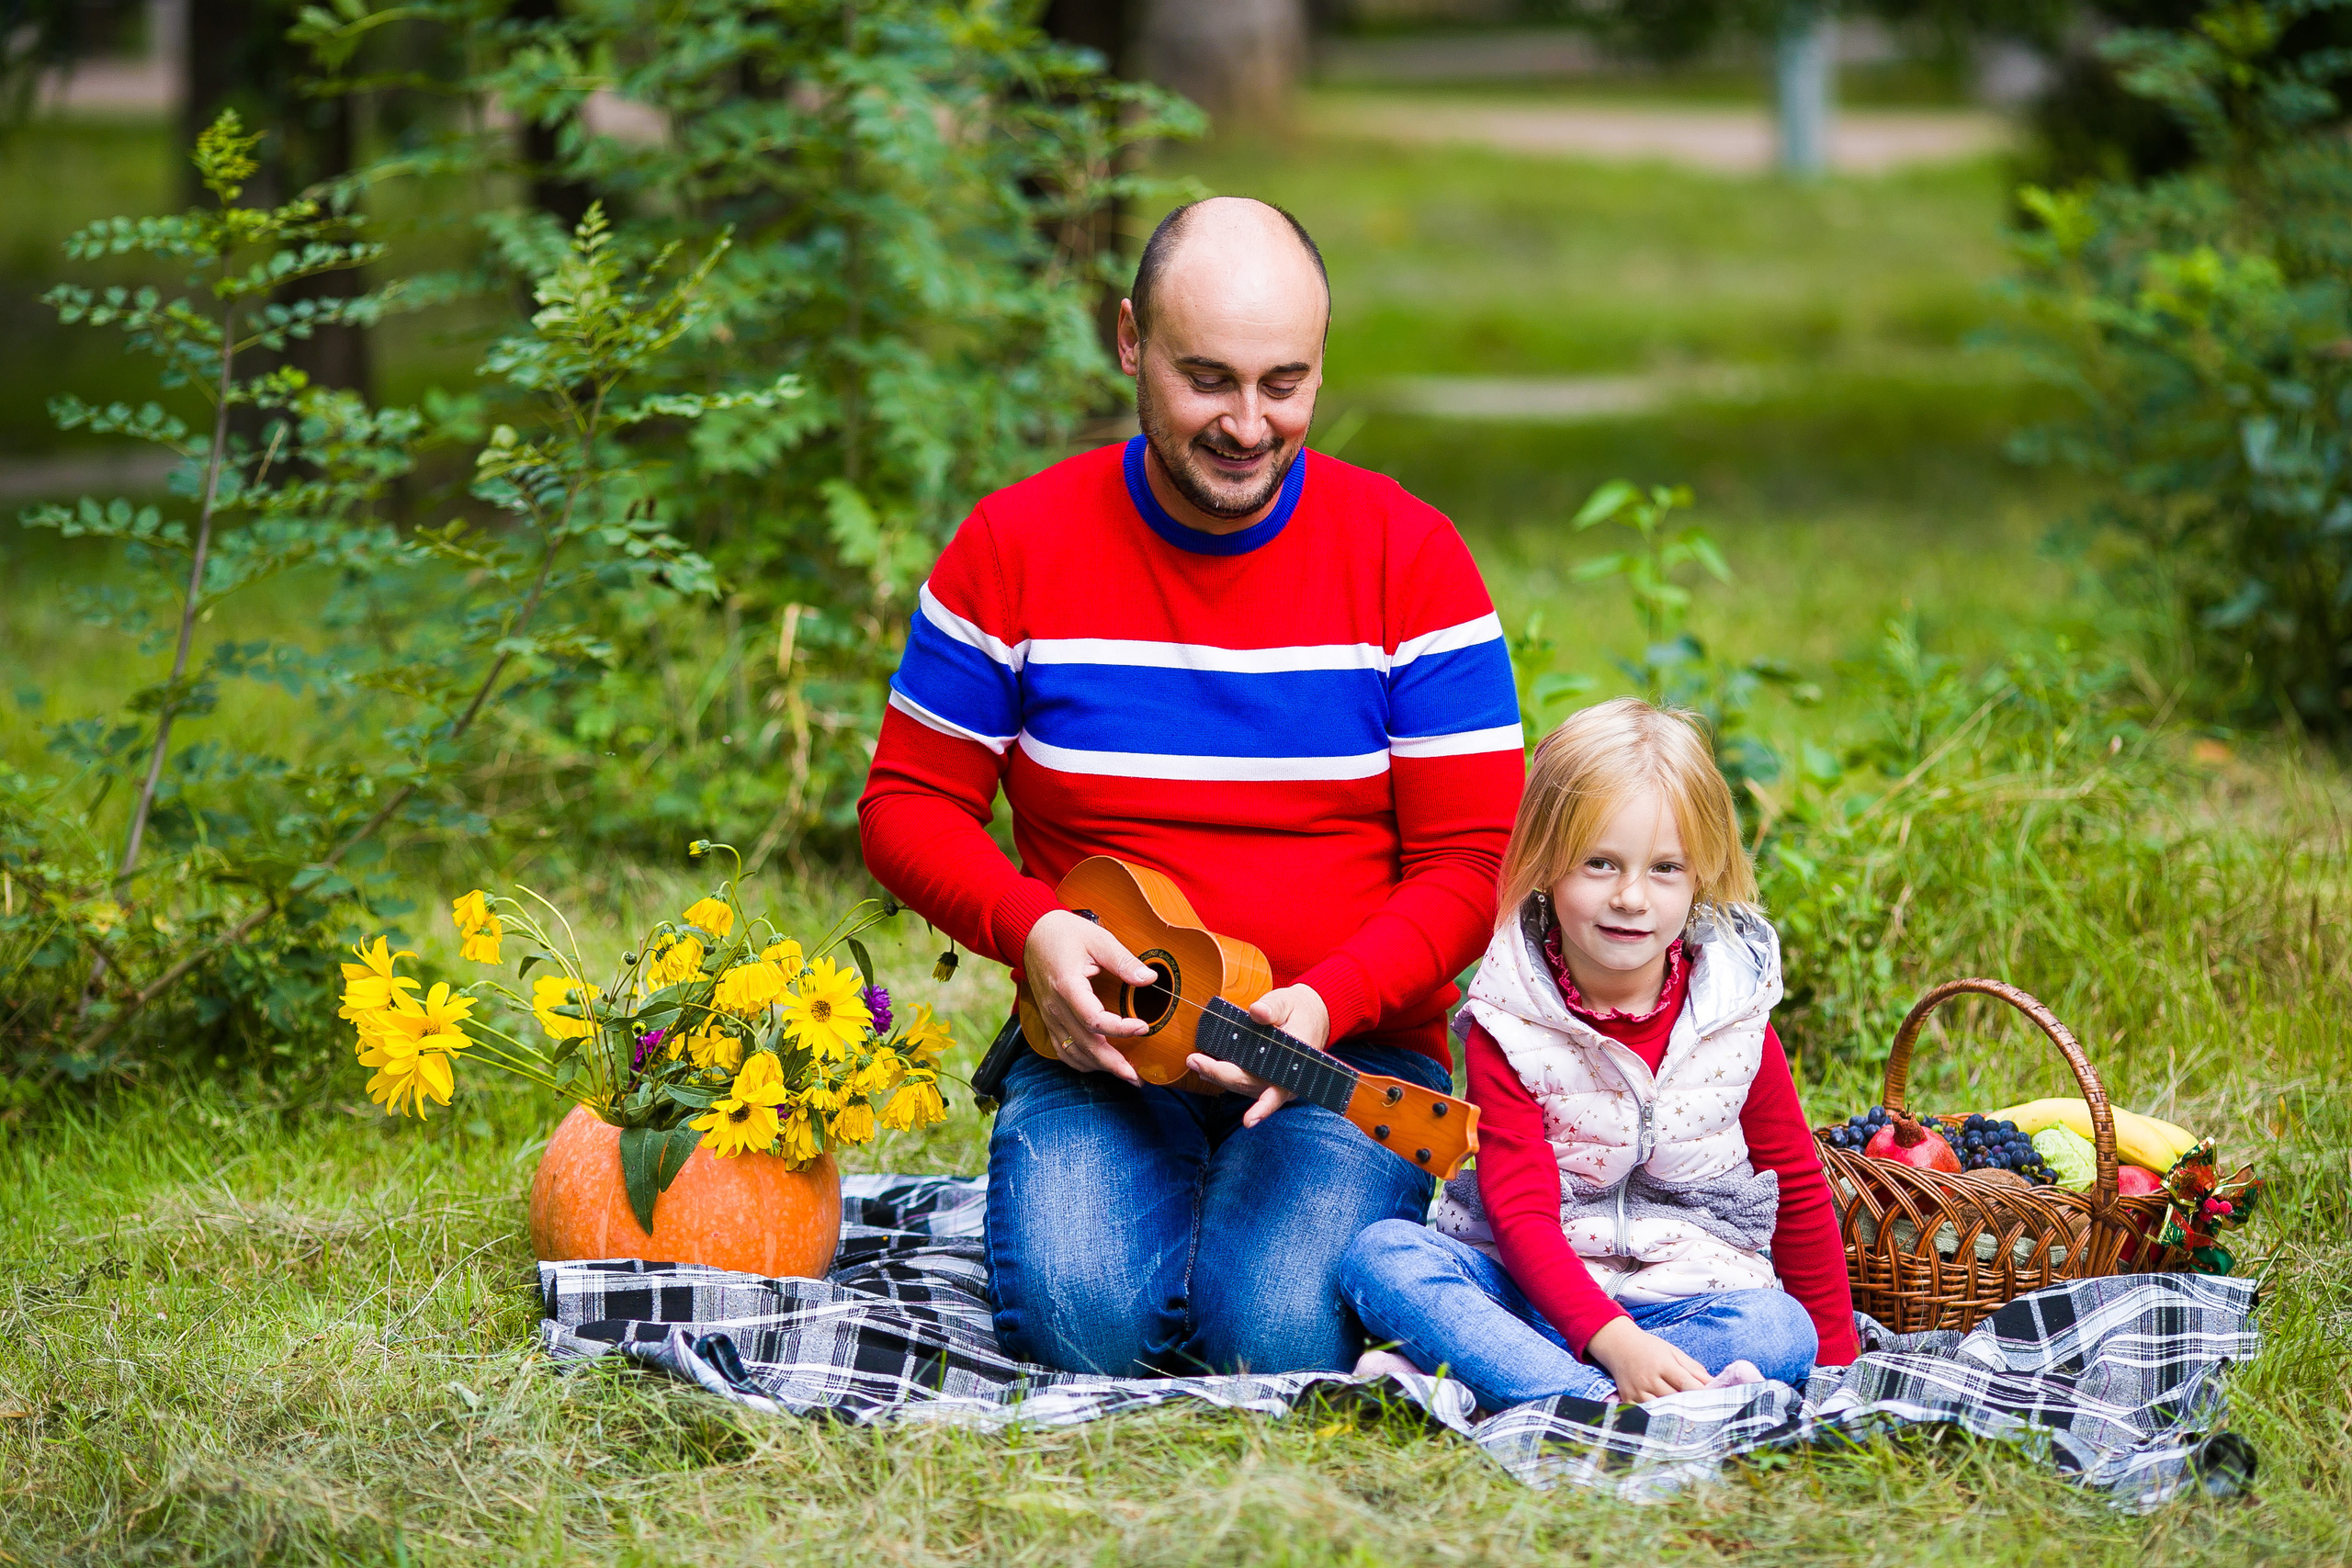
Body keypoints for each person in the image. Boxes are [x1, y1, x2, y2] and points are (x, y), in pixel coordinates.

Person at [855, 196, 1524, 1378]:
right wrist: (1035, 930)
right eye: (1207, 379)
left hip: (1343, 1060)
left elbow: (1474, 865)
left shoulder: (1412, 560)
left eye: (1286, 383)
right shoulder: (1013, 546)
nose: (1249, 424)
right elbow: (908, 803)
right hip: (1101, 1052)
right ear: (1128, 342)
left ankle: (1273, 1226)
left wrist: (1329, 1002)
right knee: (1084, 1330)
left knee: (1271, 1335)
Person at [1338, 698, 1859, 1408]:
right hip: (1526, 1288)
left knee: (1780, 1332)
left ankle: (1523, 1381)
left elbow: (1795, 1178)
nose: (1631, 897)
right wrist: (1611, 1341)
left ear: (1701, 874)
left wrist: (1836, 1367)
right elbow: (1519, 1214)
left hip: (1688, 1299)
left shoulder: (1732, 1015)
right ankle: (1594, 1392)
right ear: (1548, 866)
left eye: (1665, 868)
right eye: (1601, 863)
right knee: (1383, 1256)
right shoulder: (1510, 1024)